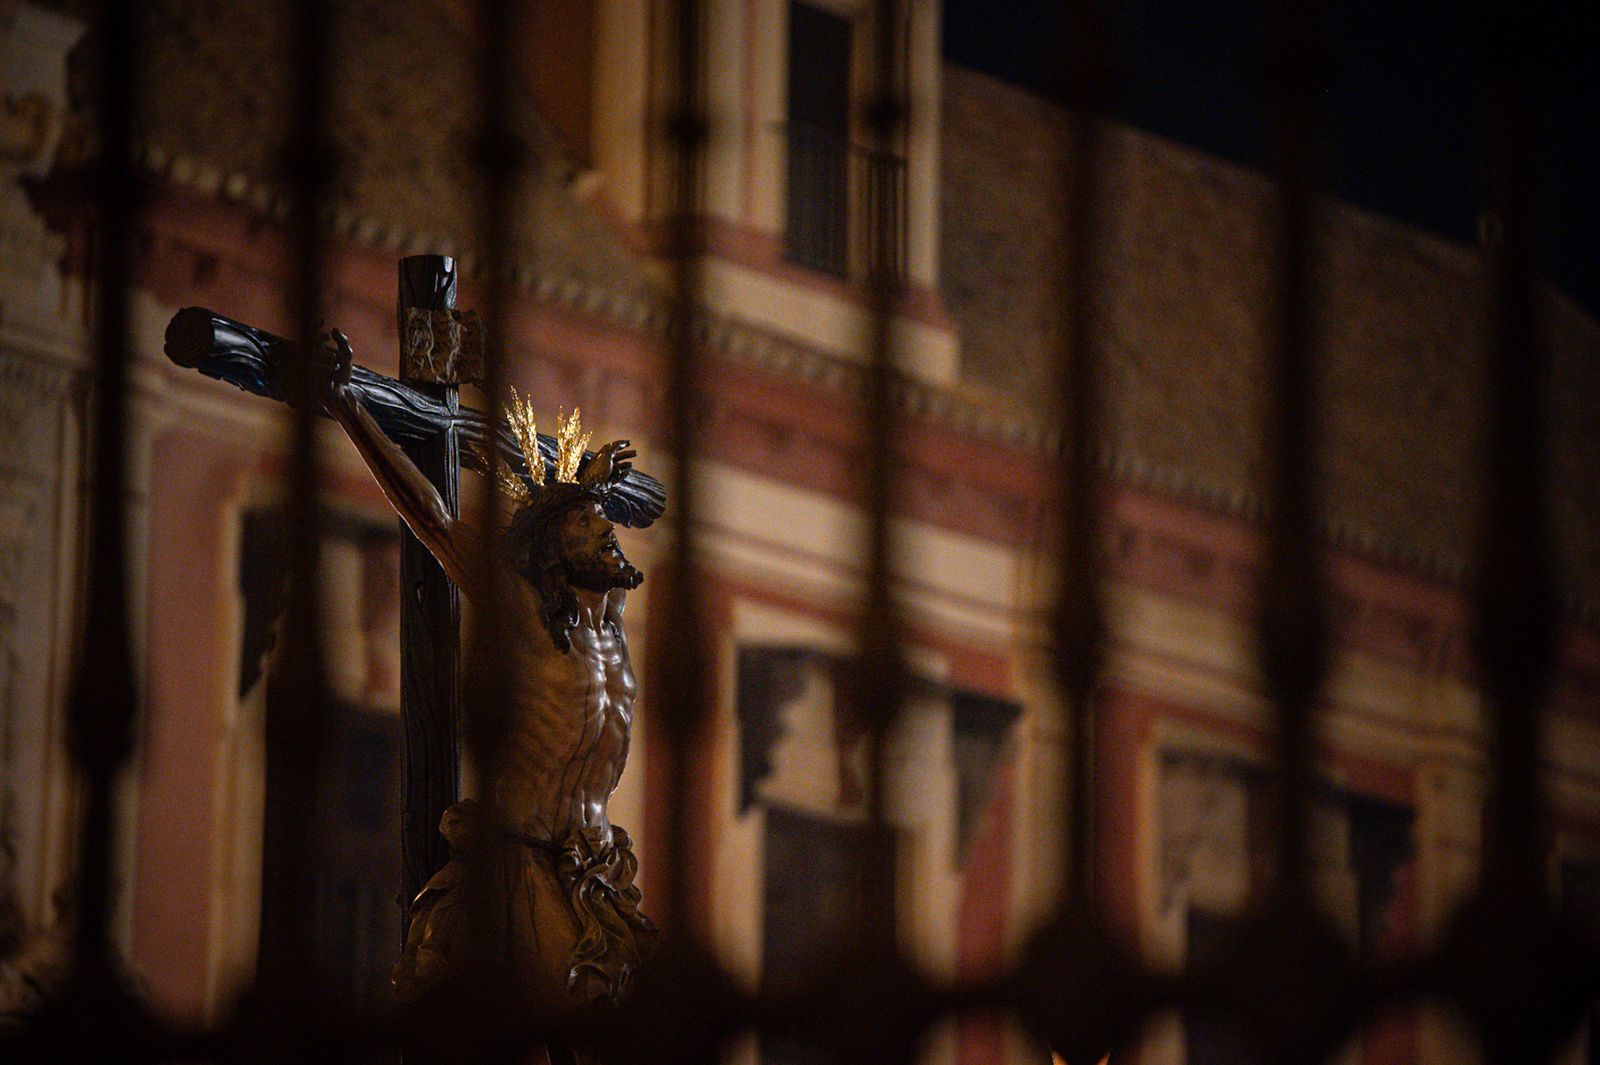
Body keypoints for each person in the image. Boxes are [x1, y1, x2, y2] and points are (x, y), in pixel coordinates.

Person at [318, 329, 657, 1010]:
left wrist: (582, 491)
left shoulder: (609, 620)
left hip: (597, 869)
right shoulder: (522, 611)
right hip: (522, 861)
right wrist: (349, 404)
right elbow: (434, 518)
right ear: (558, 552)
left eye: (606, 524)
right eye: (593, 529)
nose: (610, 534)